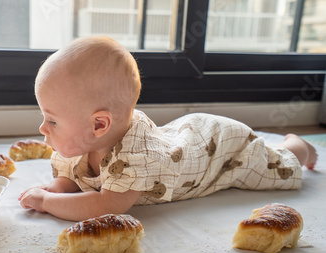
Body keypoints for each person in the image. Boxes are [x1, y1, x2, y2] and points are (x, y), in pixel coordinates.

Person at [19, 36, 317, 222]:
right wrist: (58, 187)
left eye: (53, 120)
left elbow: (104, 205)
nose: (43, 127)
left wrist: (47, 201)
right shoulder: (88, 141)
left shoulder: (134, 156)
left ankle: (299, 144)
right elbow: (78, 177)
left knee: (277, 167)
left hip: (220, 148)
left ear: (99, 124)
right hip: (185, 133)